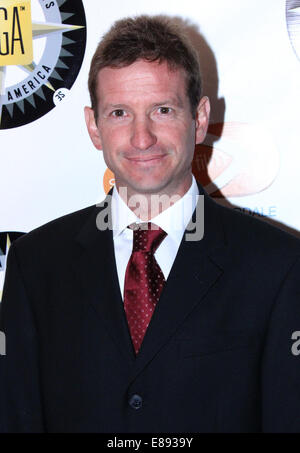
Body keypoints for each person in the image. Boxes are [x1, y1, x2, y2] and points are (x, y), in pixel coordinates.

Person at [1, 15, 300, 433]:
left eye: (162, 110)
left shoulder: (278, 267)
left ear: (198, 119)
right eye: (120, 113)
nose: (142, 138)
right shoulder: (35, 265)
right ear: (94, 126)